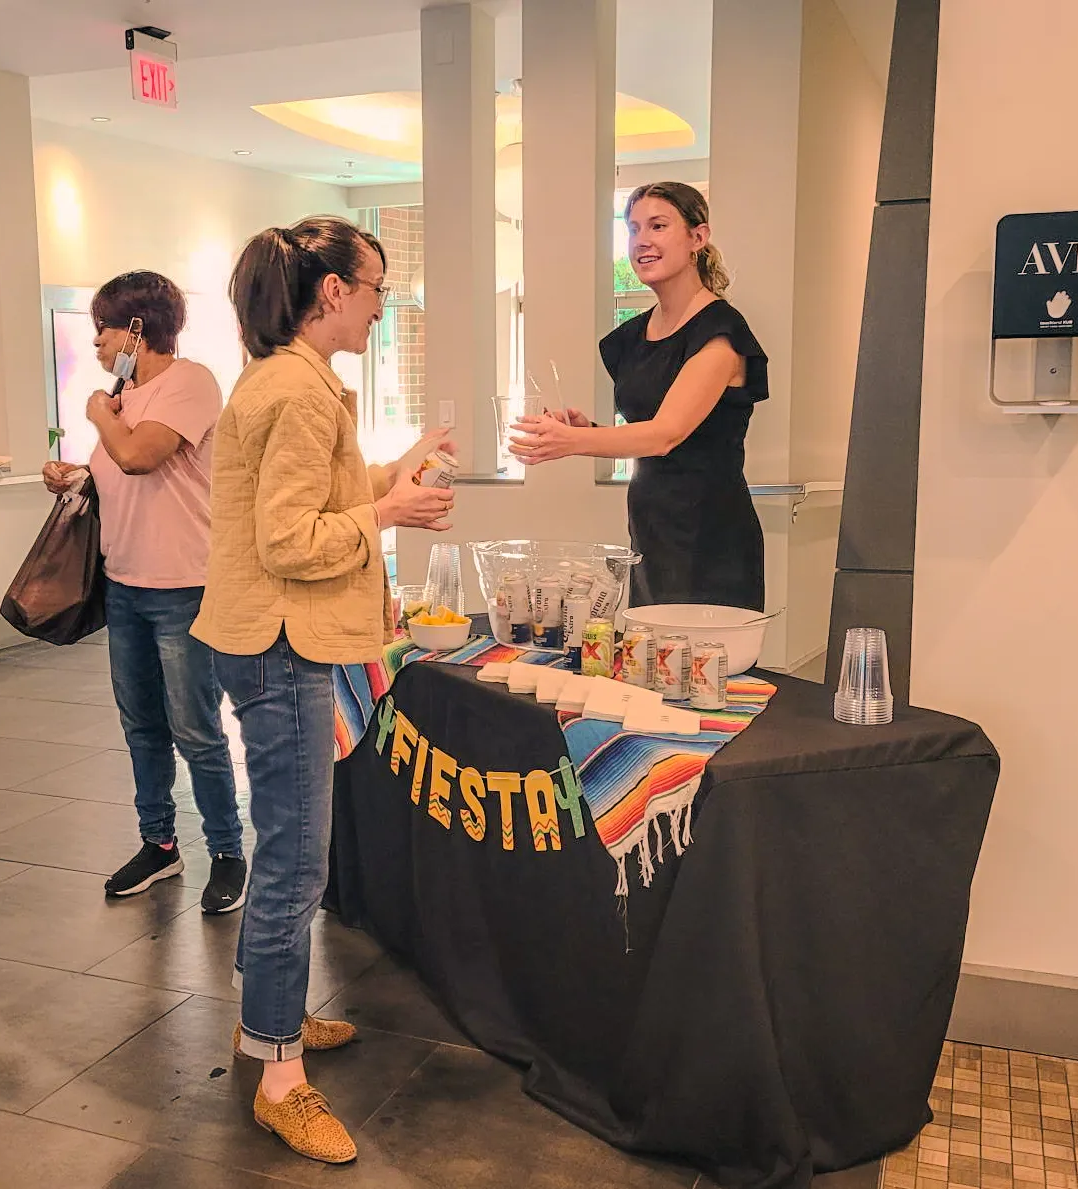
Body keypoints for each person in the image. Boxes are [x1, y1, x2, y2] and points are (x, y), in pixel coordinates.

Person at [191, 217, 454, 1163]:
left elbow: (311, 502)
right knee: (296, 862)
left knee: (292, 853)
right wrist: (386, 510)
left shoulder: (286, 381)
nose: (384, 306)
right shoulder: (298, 393)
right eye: (377, 286)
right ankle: (277, 1074)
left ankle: (270, 1019)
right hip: (279, 644)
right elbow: (291, 540)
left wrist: (393, 474)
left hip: (266, 639)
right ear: (331, 290)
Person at [41, 271, 248, 914]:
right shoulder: (123, 395)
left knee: (196, 727)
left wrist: (103, 417)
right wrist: (74, 474)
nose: (97, 343)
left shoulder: (190, 383)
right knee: (141, 726)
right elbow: (117, 472)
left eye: (102, 328)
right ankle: (159, 844)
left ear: (136, 328)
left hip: (183, 586)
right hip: (125, 585)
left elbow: (139, 457)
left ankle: (226, 852)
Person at [510, 182, 769, 611]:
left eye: (659, 226)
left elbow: (665, 435)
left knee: (700, 669)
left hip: (710, 531)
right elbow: (643, 430)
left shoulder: (720, 333)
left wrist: (571, 443)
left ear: (698, 238)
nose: (641, 241)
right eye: (633, 229)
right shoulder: (633, 336)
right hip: (651, 526)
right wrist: (586, 431)